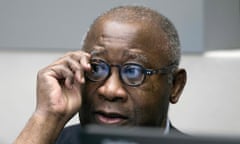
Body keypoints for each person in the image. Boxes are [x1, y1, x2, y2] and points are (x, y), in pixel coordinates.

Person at [14, 5, 187, 144]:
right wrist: (46, 118)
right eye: (97, 68)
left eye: (133, 71)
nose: (110, 91)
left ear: (175, 86)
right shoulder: (50, 140)